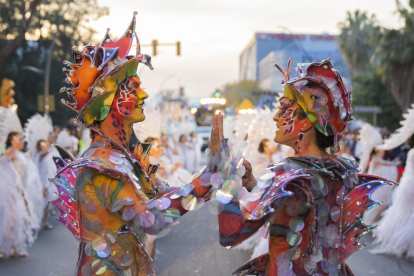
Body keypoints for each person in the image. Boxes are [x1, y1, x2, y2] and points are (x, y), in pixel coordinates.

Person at [50, 12, 233, 275]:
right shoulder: (100, 164)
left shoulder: (127, 157)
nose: (144, 94)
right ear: (110, 99)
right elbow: (152, 218)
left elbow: (164, 195)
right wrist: (205, 180)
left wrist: (210, 174)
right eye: (134, 87)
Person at [211, 58, 395, 275]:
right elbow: (296, 210)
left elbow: (231, 234)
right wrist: (253, 185)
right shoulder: (342, 170)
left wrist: (224, 174)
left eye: (285, 109)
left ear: (307, 122)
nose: (276, 117)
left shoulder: (286, 175)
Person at [0, 132, 42, 259]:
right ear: (11, 140)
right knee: (7, 219)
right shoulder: (6, 152)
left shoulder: (21, 155)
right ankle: (1, 248)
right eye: (19, 139)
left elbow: (25, 175)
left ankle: (16, 246)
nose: (22, 141)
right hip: (7, 193)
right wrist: (6, 157)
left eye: (22, 139)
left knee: (19, 218)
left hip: (19, 191)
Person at [371, 135, 414, 257]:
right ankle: (404, 243)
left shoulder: (411, 151)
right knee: (409, 214)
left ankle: (404, 244)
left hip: (407, 184)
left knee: (406, 214)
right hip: (411, 185)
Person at [363, 148, 399, 224]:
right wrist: (395, 163)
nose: (383, 152)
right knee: (380, 203)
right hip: (376, 187)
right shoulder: (376, 160)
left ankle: (372, 221)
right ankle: (369, 221)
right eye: (382, 151)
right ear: (377, 151)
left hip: (378, 186)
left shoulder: (377, 159)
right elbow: (387, 164)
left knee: (381, 204)